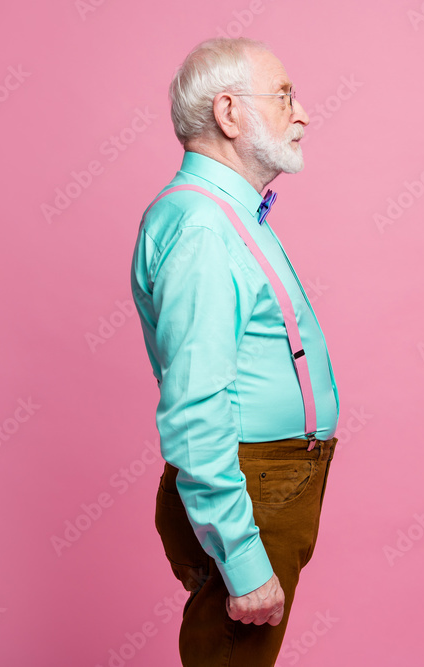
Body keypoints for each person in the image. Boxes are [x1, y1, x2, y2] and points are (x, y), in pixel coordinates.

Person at [129, 37, 341, 666]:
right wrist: (244, 557)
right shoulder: (203, 228)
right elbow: (195, 406)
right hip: (253, 485)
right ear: (228, 113)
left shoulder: (226, 216)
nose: (302, 112)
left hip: (268, 480)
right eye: (283, 96)